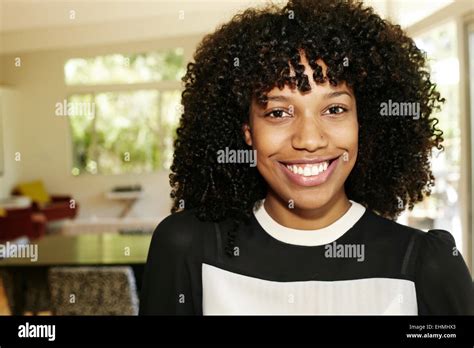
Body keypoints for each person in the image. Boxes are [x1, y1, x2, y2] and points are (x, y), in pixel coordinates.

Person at [140, 0, 473, 315]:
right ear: (247, 132)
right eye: (278, 112)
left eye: (334, 109)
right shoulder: (186, 249)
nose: (309, 140)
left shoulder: (425, 265)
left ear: (362, 123)